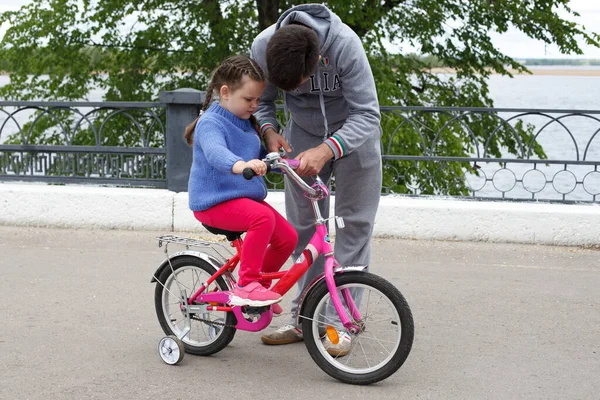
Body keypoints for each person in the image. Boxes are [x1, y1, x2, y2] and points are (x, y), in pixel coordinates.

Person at [250, 3, 382, 351]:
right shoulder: (263, 47)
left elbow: (368, 114)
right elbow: (261, 101)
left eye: (301, 84)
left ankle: (341, 323)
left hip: (356, 138)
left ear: (318, 60)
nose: (298, 92)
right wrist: (268, 130)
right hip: (302, 137)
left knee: (354, 225)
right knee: (304, 232)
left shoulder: (344, 45)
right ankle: (303, 319)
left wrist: (328, 149)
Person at [185, 55, 298, 308]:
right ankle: (248, 285)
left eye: (258, 99)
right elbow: (217, 153)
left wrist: (285, 164)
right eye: (249, 99)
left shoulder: (247, 123)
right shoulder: (210, 123)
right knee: (262, 218)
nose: (255, 105)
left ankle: (258, 291)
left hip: (240, 199)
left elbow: (260, 159)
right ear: (225, 92)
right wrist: (242, 165)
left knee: (288, 238)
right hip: (212, 202)